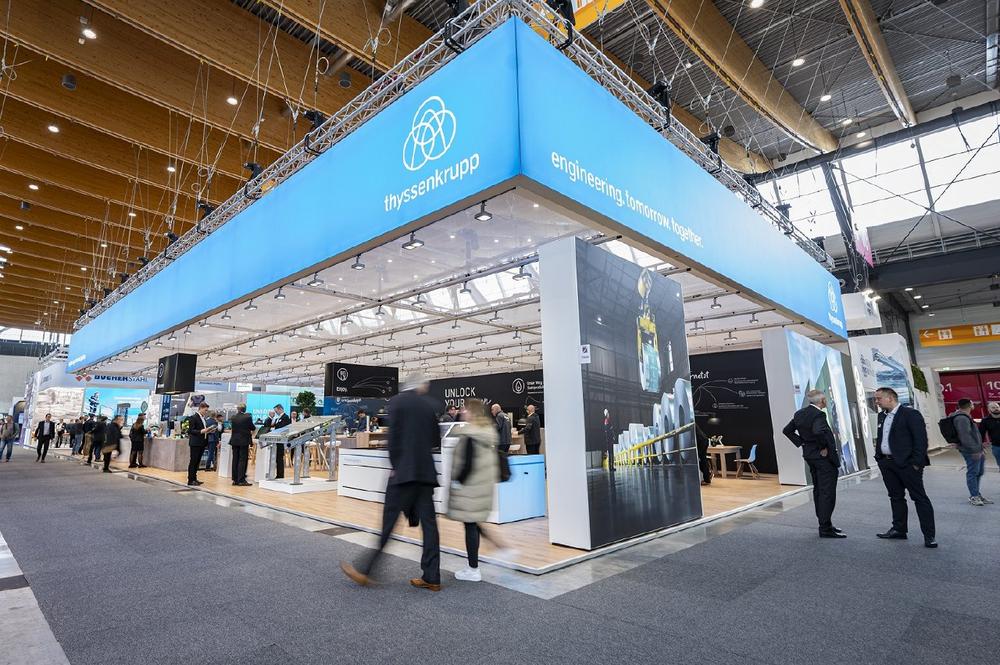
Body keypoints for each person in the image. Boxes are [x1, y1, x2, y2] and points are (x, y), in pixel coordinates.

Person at [341, 373, 441, 591]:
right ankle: (432, 577)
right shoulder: (427, 405)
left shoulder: (397, 402)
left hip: (403, 473)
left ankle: (365, 570)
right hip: (425, 474)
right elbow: (436, 439)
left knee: (388, 524)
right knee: (429, 526)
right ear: (421, 387)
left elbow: (393, 438)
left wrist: (395, 465)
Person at [448, 399, 510, 582]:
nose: (462, 412)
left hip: (470, 489)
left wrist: (456, 482)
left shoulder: (470, 434)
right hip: (481, 488)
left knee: (470, 526)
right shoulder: (487, 432)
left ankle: (473, 569)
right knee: (474, 524)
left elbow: (466, 465)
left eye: (465, 409)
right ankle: (501, 548)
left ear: (472, 412)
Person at [874, 387, 936, 548]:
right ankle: (899, 529)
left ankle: (929, 536)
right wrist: (879, 458)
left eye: (879, 398)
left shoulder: (910, 414)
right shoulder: (882, 416)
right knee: (895, 497)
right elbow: (882, 438)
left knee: (919, 498)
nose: (876, 401)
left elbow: (921, 441)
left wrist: (916, 463)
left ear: (890, 398)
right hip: (887, 464)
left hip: (907, 465)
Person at [782, 389, 845, 539]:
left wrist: (802, 442)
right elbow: (818, 432)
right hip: (823, 459)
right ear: (822, 401)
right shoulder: (819, 414)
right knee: (827, 492)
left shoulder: (799, 414)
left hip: (810, 456)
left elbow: (787, 430)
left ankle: (825, 524)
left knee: (819, 490)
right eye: (825, 399)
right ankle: (825, 528)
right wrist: (823, 447)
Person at [950, 398, 989, 506]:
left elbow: (973, 435)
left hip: (977, 449)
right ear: (969, 405)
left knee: (979, 472)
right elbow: (965, 437)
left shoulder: (966, 416)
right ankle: (974, 496)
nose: (973, 405)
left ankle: (977, 494)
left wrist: (981, 447)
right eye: (972, 403)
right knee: (973, 472)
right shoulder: (961, 418)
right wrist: (974, 451)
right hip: (971, 451)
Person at [186, 402, 214, 486]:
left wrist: (209, 431)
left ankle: (194, 478)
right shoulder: (193, 417)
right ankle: (190, 480)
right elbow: (191, 431)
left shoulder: (203, 418)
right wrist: (202, 431)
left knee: (197, 462)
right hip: (195, 443)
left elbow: (202, 430)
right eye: (205, 410)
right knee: (193, 461)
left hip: (201, 443)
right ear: (201, 408)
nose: (206, 412)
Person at [229, 404, 256, 486]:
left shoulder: (233, 417)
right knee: (242, 460)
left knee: (235, 460)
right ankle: (241, 480)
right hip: (243, 441)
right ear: (245, 409)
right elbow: (253, 427)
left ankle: (235, 480)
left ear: (238, 409)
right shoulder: (247, 417)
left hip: (234, 441)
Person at [979, 402, 1000, 472]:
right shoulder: (985, 420)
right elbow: (981, 434)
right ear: (989, 410)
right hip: (996, 446)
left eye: (997, 407)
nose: (996, 409)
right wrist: (981, 446)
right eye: (993, 407)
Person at [271, 404, 291, 479]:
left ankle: (280, 475)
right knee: (277, 458)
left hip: (281, 440)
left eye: (276, 411)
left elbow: (283, 428)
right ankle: (278, 474)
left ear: (280, 409)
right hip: (277, 440)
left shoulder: (285, 417)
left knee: (279, 458)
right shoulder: (278, 418)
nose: (276, 413)